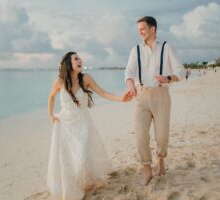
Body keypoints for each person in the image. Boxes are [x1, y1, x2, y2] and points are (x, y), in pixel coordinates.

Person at [47, 51, 132, 200]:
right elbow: (51, 97)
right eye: (76, 59)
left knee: (82, 156)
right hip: (65, 124)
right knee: (68, 159)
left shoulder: (86, 79)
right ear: (68, 63)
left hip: (82, 123)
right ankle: (73, 186)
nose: (80, 60)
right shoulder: (60, 81)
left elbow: (103, 93)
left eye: (80, 58)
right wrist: (51, 115)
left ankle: (81, 182)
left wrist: (121, 99)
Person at [125, 16, 185, 185]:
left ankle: (161, 161)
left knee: (162, 136)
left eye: (143, 29)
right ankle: (147, 171)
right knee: (140, 135)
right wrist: (130, 83)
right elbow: (129, 71)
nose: (140, 33)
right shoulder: (135, 49)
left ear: (153, 29)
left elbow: (180, 71)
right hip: (141, 96)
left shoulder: (167, 47)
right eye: (138, 30)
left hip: (162, 95)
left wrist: (168, 77)